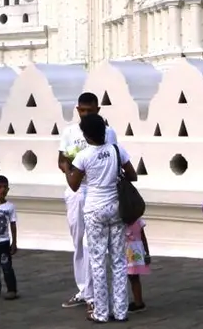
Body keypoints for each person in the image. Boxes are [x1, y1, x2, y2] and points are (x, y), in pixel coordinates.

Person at [58, 91, 123, 309]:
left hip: (100, 193)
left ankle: (94, 294)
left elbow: (114, 158)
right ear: (78, 110)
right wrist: (72, 168)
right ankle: (83, 289)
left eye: (90, 111)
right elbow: (61, 160)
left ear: (98, 110)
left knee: (93, 244)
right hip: (77, 190)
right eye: (83, 110)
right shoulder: (69, 132)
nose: (86, 114)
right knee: (78, 240)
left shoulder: (108, 132)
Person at [67, 114, 134, 324]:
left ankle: (101, 312)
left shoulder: (83, 156)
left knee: (98, 261)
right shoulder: (117, 149)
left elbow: (74, 185)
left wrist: (68, 168)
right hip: (116, 207)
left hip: (95, 210)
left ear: (86, 135)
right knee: (118, 260)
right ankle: (121, 311)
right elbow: (132, 175)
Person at [124, 217, 152, 312]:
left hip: (129, 250)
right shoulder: (138, 220)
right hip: (136, 250)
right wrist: (146, 252)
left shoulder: (122, 220)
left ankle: (138, 302)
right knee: (134, 277)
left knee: (132, 277)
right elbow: (143, 237)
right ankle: (138, 301)